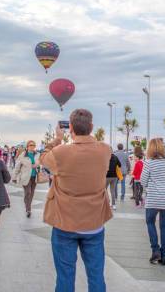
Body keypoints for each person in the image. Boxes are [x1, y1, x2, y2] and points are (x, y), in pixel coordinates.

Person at [39, 109, 113, 292]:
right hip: (94, 223)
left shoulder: (60, 152)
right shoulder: (105, 150)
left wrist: (57, 138)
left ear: (70, 127)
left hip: (65, 222)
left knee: (65, 275)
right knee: (96, 275)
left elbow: (42, 159)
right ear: (92, 127)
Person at [141, 138, 165, 266]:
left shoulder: (148, 163)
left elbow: (143, 181)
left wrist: (150, 187)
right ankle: (164, 255)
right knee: (164, 226)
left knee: (150, 222)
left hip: (154, 198)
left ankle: (155, 251)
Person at [12, 140, 39, 218]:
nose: (32, 146)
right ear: (27, 146)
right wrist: (14, 177)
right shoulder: (23, 155)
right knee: (28, 193)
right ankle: (28, 209)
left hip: (34, 177)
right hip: (25, 177)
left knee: (32, 193)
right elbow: (17, 166)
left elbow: (41, 163)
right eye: (31, 145)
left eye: (34, 145)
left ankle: (28, 206)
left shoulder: (37, 154)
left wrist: (37, 165)